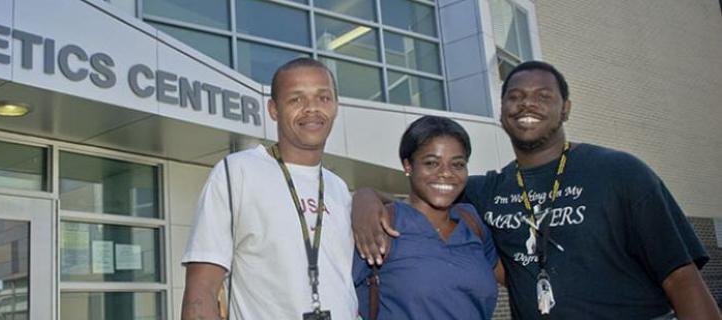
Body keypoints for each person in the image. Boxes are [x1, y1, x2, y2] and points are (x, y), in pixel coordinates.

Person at [351, 61, 721, 319]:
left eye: (543, 95)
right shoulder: (486, 191)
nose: (526, 102)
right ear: (501, 111)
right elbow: (425, 195)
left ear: (566, 109)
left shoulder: (621, 172)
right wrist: (365, 197)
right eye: (515, 96)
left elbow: (682, 278)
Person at [181, 57, 357, 320]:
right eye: (296, 99)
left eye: (323, 98)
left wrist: (370, 197)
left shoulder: (338, 188)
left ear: (335, 106)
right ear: (274, 109)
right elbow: (201, 292)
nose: (312, 108)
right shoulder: (236, 173)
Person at [352, 115, 501, 319]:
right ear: (408, 166)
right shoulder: (383, 223)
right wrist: (363, 195)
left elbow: (518, 280)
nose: (446, 173)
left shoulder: (471, 222)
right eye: (431, 163)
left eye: (457, 164)